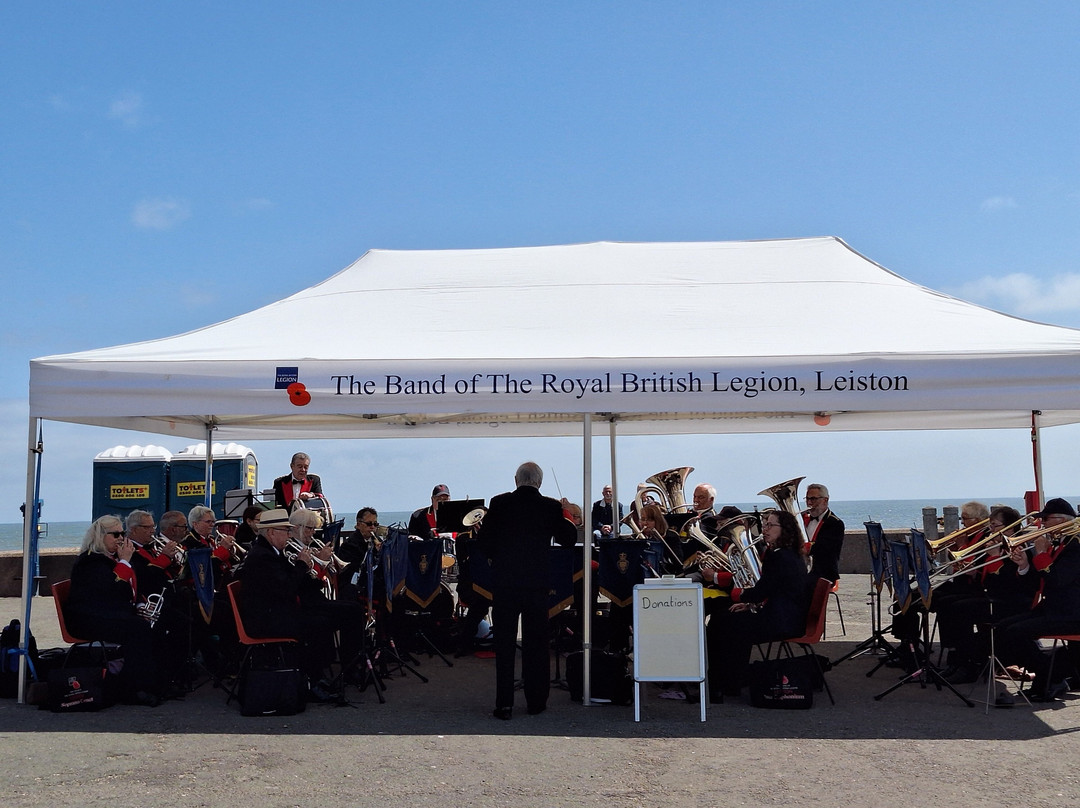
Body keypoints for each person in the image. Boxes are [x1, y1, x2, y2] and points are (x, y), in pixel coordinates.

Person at [476, 461, 577, 719]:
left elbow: (484, 543)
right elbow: (569, 539)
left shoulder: (499, 503)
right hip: (536, 585)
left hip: (506, 584)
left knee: (505, 644)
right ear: (540, 482)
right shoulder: (551, 506)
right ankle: (536, 702)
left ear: (516, 480)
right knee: (536, 646)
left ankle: (504, 704)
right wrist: (566, 512)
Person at [233, 508, 341, 701]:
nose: (290, 535)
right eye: (286, 530)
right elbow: (286, 589)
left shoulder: (273, 551)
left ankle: (315, 678)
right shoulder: (263, 556)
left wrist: (313, 577)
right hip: (265, 621)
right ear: (272, 532)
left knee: (321, 619)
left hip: (274, 612)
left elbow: (291, 585)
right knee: (316, 625)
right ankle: (311, 682)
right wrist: (301, 565)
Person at [706, 509, 810, 702]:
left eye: (771, 525)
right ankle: (731, 682)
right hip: (788, 617)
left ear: (785, 529)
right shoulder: (791, 554)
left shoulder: (778, 556)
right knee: (728, 620)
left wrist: (740, 595)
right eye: (765, 525)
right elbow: (773, 591)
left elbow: (761, 591)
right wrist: (748, 603)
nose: (765, 529)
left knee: (719, 623)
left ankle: (718, 687)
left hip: (781, 623)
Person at [65, 515, 164, 706]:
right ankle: (134, 688)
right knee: (138, 629)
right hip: (87, 619)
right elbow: (113, 590)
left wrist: (140, 606)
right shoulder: (90, 562)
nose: (121, 538)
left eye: (122, 533)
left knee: (154, 624)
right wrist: (125, 562)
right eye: (116, 534)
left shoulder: (110, 559)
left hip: (107, 614)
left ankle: (156, 681)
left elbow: (127, 591)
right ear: (101, 536)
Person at [935, 505, 1039, 685]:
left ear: (1010, 527)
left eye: (994, 526)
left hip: (1012, 603)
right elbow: (988, 582)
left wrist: (993, 558)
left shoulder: (1019, 546)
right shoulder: (995, 544)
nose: (990, 530)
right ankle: (958, 660)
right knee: (950, 605)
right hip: (994, 597)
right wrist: (974, 572)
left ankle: (967, 666)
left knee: (960, 609)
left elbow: (1011, 585)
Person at [996, 498, 1080, 701]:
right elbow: (1040, 582)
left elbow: (1057, 579)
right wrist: (1024, 565)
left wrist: (1041, 553)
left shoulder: (1075, 546)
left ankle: (1050, 678)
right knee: (1002, 628)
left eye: (1047, 520)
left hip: (1071, 613)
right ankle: (1050, 676)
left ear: (1061, 520)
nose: (1042, 525)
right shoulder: (1058, 543)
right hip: (1053, 607)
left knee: (1016, 633)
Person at [803, 483, 845, 583]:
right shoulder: (803, 518)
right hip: (803, 570)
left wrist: (801, 547)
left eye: (813, 499)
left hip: (823, 574)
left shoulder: (835, 523)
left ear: (825, 500)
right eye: (807, 499)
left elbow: (823, 549)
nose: (809, 503)